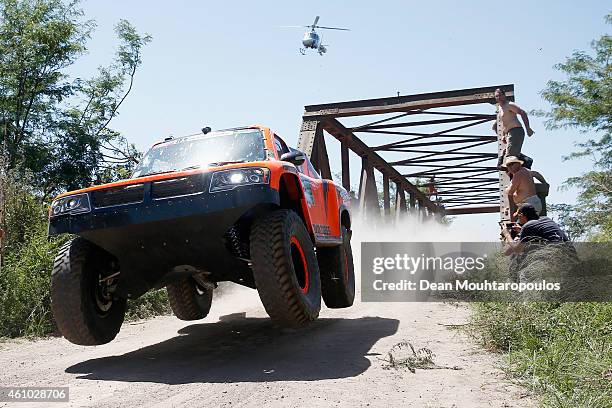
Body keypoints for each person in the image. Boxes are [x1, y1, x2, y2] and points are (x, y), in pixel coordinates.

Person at [502, 203, 569, 255]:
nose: (518, 219)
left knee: (521, 255)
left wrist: (507, 234)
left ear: (521, 215)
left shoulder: (528, 226)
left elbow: (517, 249)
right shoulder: (546, 219)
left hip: (557, 255)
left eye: (518, 216)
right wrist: (521, 229)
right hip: (568, 251)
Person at [493, 88, 535, 170]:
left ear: (504, 95)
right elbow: (505, 123)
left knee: (510, 157)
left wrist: (528, 128)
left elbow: (522, 112)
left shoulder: (509, 105)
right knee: (510, 155)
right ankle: (527, 161)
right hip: (510, 132)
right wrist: (504, 135)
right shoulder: (500, 109)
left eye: (500, 95)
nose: (498, 97)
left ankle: (521, 170)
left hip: (516, 131)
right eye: (496, 96)